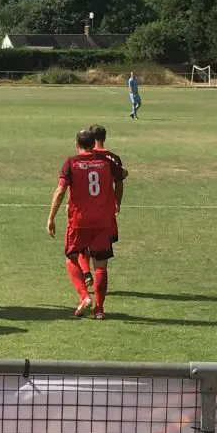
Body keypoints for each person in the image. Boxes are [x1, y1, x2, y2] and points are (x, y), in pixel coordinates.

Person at [46, 129, 121, 320]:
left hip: (79, 221)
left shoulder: (71, 162)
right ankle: (99, 309)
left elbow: (60, 190)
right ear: (94, 144)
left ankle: (84, 296)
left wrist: (51, 217)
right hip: (103, 221)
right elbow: (121, 175)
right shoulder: (106, 162)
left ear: (77, 144)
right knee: (101, 266)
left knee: (71, 258)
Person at [76, 123, 128, 287]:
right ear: (105, 137)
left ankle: (86, 273)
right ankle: (98, 286)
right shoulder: (113, 158)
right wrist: (117, 203)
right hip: (105, 211)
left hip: (84, 210)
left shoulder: (84, 157)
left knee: (82, 244)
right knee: (100, 252)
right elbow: (119, 183)